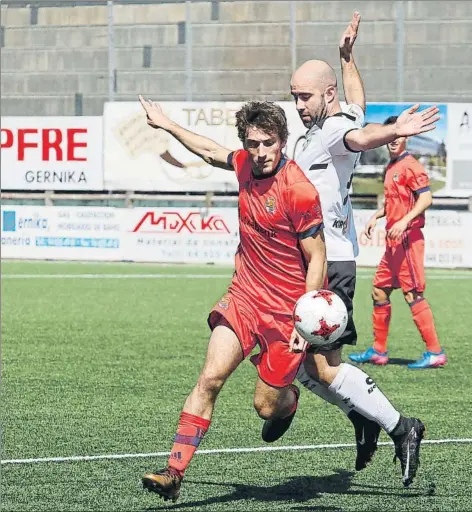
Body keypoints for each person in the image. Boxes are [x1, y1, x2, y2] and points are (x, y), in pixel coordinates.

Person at [262, 12, 438, 482]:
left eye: (305, 96)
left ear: (326, 94)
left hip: (330, 260)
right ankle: (365, 417)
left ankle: (401, 426)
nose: (297, 104)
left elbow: (362, 133)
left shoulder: (337, 130)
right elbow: (358, 103)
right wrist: (346, 57)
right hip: (305, 261)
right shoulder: (323, 125)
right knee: (298, 363)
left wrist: (396, 128)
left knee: (320, 365)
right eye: (294, 95)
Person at [138, 97, 327, 502]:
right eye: (253, 143)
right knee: (209, 379)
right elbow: (208, 149)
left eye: (268, 143)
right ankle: (174, 472)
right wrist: (167, 123)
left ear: (283, 141)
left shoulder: (299, 191)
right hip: (243, 297)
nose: (260, 153)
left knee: (265, 407)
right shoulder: (243, 164)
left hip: (285, 313)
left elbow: (318, 257)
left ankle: (288, 402)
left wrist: (305, 321)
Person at [348, 116, 447, 369]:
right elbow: (395, 201)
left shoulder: (411, 165)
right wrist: (377, 215)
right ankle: (379, 351)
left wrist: (404, 221)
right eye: (391, 136)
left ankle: (435, 352)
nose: (395, 141)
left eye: (399, 136)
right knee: (379, 291)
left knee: (413, 293)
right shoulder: (391, 166)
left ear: (407, 137)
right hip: (393, 243)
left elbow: (425, 199)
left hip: (408, 240)